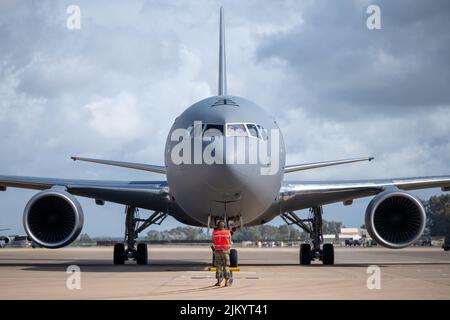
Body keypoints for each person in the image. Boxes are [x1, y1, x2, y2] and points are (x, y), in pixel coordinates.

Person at [212, 220, 234, 287]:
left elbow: (213, 241)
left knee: (218, 267)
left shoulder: (214, 233)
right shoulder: (228, 232)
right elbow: (230, 242)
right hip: (225, 252)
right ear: (224, 226)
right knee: (226, 267)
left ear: (217, 226)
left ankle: (218, 282)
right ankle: (226, 282)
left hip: (217, 252)